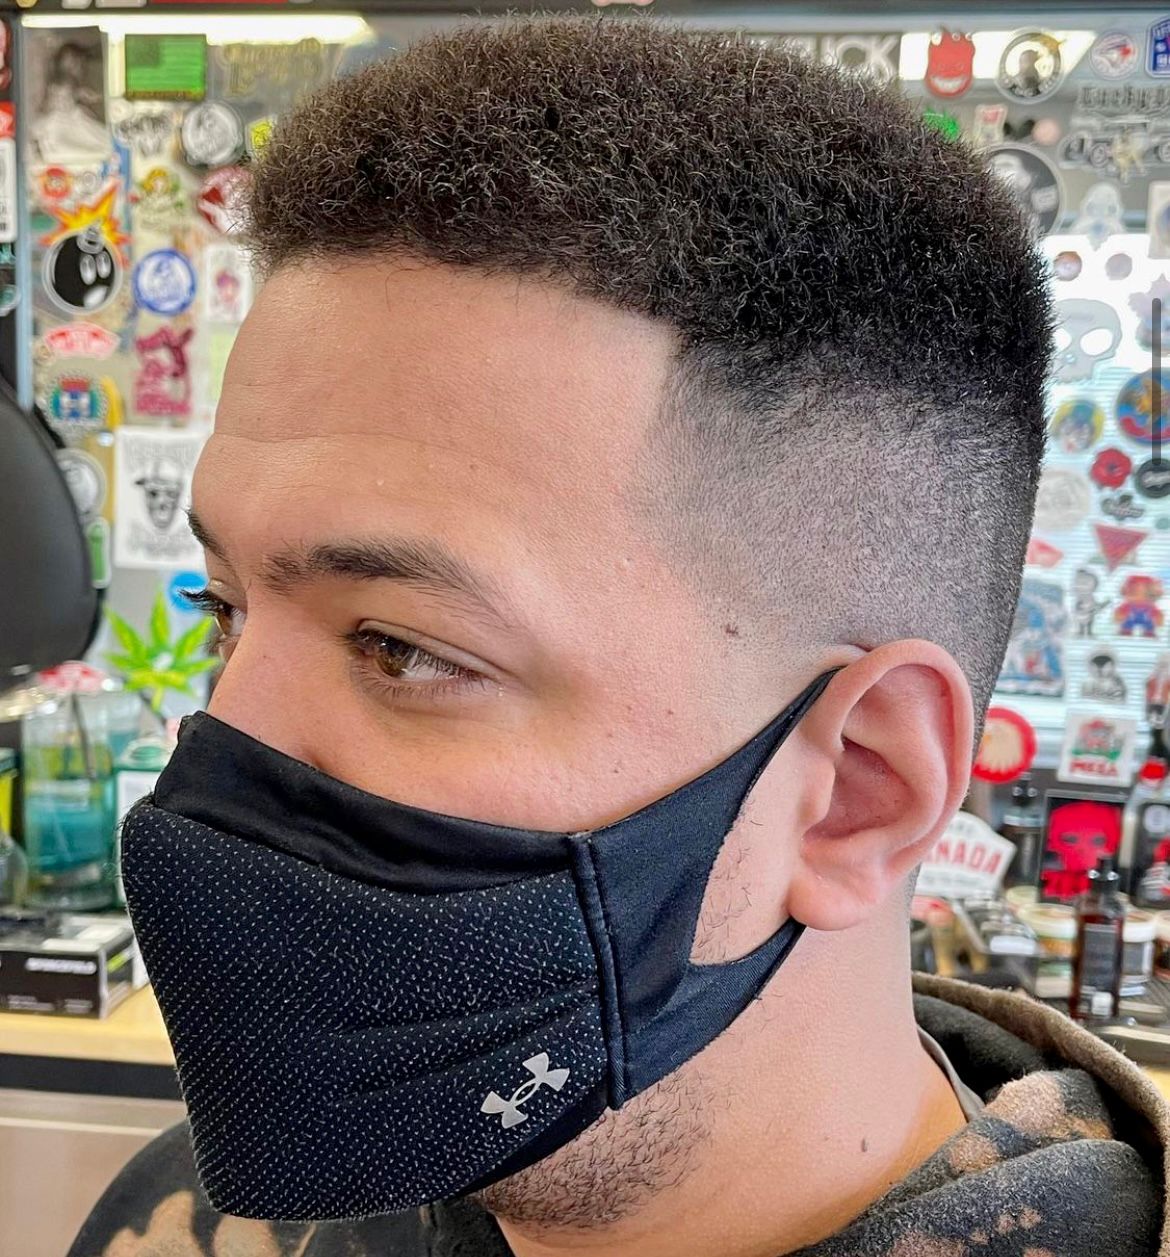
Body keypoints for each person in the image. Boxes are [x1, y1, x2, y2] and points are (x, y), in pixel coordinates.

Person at [70, 17, 1169, 1257]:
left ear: (858, 794)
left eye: (402, 649)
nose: (207, 767)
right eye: (226, 610)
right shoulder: (196, 1222)